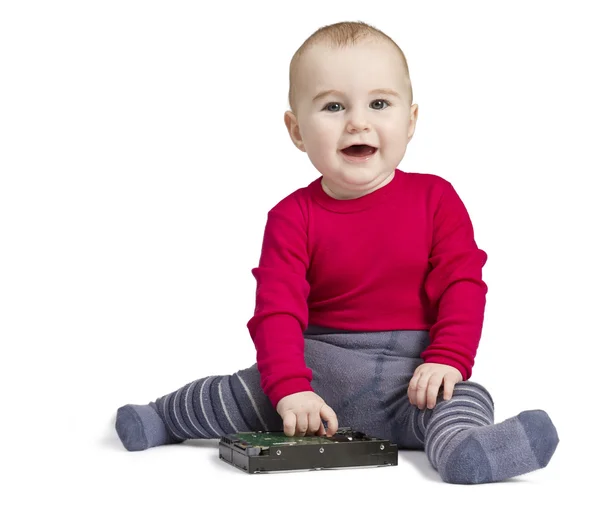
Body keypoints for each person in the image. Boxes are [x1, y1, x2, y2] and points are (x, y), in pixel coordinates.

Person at [115, 20, 559, 484]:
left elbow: (463, 285)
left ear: (410, 121)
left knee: (464, 399)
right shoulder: (292, 216)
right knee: (232, 396)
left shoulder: (437, 200)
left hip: (412, 382)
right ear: (297, 130)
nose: (358, 121)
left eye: (380, 103)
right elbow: (277, 312)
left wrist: (446, 358)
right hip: (313, 378)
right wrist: (289, 390)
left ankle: (463, 453)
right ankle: (161, 417)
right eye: (333, 106)